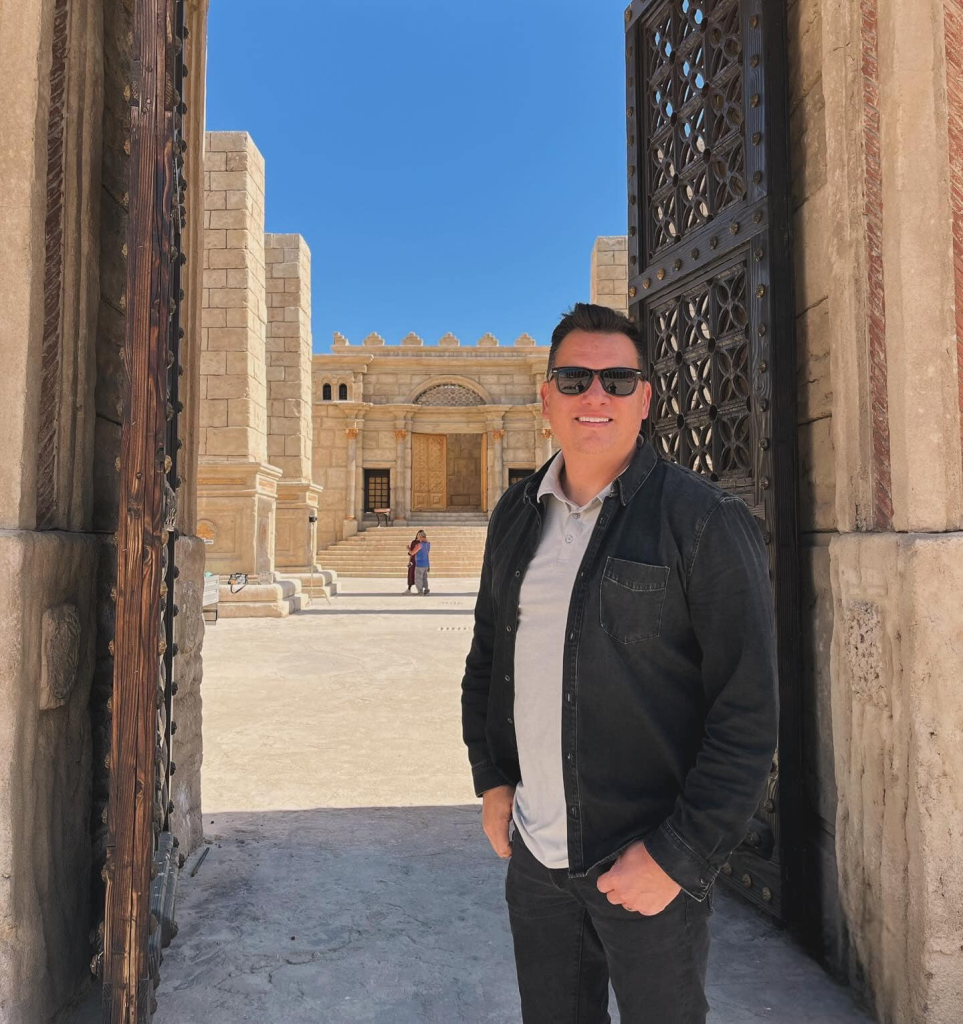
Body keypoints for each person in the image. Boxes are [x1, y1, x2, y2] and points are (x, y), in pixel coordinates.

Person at [460, 303, 777, 1024]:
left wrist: (678, 856)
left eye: (617, 380)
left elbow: (748, 711)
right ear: (547, 398)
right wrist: (492, 778)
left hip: (646, 862)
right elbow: (488, 658)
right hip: (537, 863)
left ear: (645, 398)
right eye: (574, 379)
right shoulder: (514, 516)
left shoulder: (703, 520)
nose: (595, 395)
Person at [411, 530, 430, 595]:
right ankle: (426, 590)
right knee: (424, 578)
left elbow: (412, 553)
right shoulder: (428, 544)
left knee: (418, 579)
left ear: (421, 536)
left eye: (418, 536)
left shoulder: (419, 545)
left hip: (420, 564)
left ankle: (420, 592)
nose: (417, 537)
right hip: (426, 564)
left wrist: (408, 548)